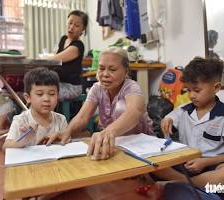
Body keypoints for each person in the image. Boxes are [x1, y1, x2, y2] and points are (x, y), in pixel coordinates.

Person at [47, 47, 153, 160]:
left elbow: (134, 112)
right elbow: (83, 117)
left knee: (121, 108)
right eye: (101, 68)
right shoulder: (97, 88)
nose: (105, 74)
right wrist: (67, 131)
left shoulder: (131, 86)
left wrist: (108, 132)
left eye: (112, 70)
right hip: (114, 144)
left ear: (126, 72)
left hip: (141, 143)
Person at [155, 57, 224, 199]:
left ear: (216, 87)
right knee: (152, 166)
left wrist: (206, 161)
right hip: (184, 165)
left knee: (222, 179)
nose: (191, 95)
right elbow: (170, 117)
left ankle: (177, 182)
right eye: (188, 90)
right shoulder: (182, 110)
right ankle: (190, 187)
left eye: (197, 90)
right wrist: (166, 119)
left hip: (210, 167)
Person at [3, 67, 67, 149]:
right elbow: (5, 147)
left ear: (57, 96)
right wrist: (24, 140)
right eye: (40, 94)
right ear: (27, 97)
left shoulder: (61, 119)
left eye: (51, 94)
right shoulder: (21, 120)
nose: (46, 99)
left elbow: (66, 142)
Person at [43, 10, 88, 101]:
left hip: (72, 87)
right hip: (59, 83)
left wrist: (44, 57)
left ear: (83, 29)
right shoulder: (63, 39)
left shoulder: (78, 45)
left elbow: (56, 59)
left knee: (41, 93)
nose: (71, 27)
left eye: (77, 25)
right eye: (70, 23)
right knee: (35, 89)